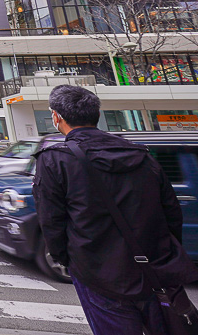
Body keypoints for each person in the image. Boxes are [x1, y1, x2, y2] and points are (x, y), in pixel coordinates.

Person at [33, 85, 198, 334]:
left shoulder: (55, 159)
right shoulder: (140, 153)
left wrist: (67, 260)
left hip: (97, 272)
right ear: (96, 115)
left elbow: (51, 221)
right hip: (153, 267)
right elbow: (170, 211)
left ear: (57, 117)